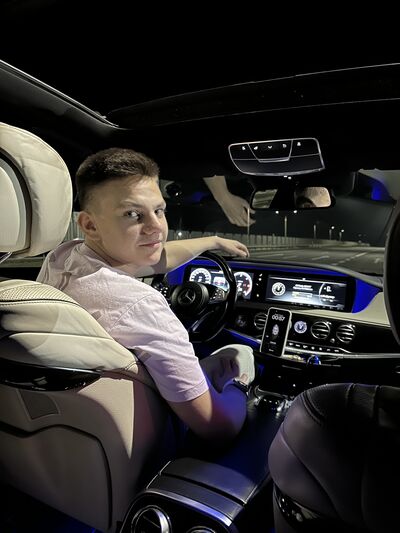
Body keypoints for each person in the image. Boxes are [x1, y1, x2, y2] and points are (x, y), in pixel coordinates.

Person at [37, 147, 255, 444]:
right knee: (244, 364)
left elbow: (156, 258)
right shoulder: (140, 305)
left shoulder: (64, 257)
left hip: (68, 430)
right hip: (154, 440)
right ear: (90, 224)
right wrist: (240, 385)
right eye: (132, 214)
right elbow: (217, 426)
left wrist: (213, 241)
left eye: (159, 211)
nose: (156, 228)